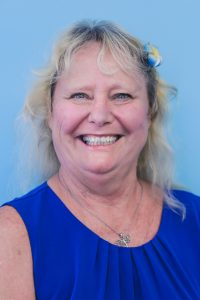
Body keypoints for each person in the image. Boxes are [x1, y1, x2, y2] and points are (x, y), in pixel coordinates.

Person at [0, 20, 199, 300]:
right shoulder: (10, 235)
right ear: (51, 112)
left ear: (149, 112)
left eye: (121, 95)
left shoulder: (194, 220)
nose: (100, 115)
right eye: (80, 95)